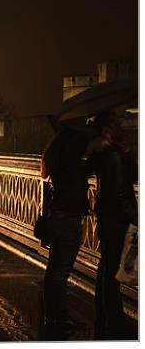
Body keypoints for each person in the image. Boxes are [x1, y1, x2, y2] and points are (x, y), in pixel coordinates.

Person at [41, 126, 96, 335]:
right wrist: (86, 155)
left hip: (57, 217)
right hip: (68, 220)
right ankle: (60, 319)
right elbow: (74, 180)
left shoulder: (56, 156)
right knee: (60, 273)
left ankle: (52, 316)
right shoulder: (72, 164)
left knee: (53, 271)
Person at [91, 111, 138, 339]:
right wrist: (134, 217)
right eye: (117, 123)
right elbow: (118, 192)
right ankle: (113, 320)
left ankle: (105, 316)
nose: (122, 126)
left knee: (106, 269)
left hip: (108, 218)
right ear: (108, 129)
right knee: (112, 273)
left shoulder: (106, 155)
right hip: (116, 220)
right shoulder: (113, 157)